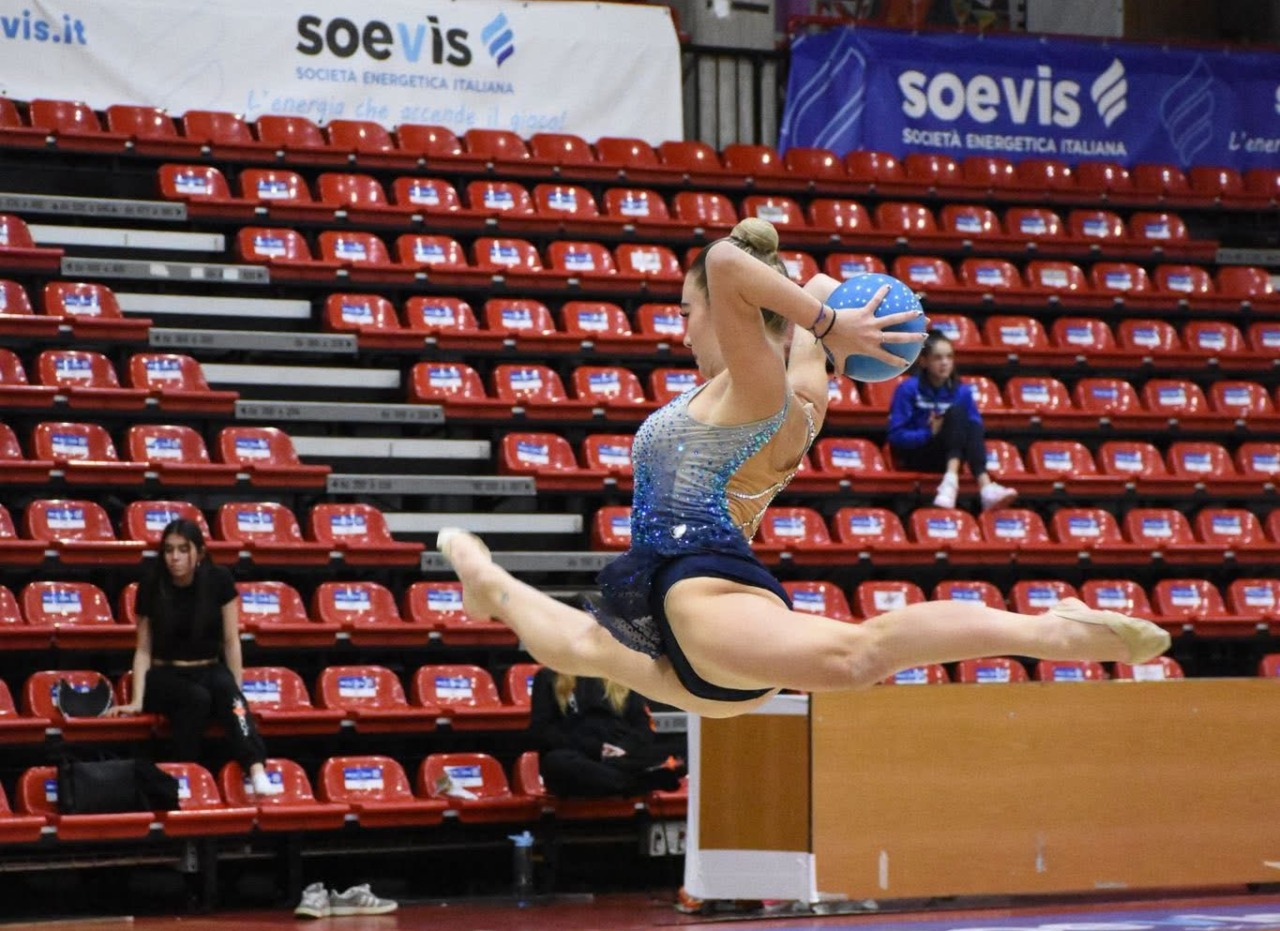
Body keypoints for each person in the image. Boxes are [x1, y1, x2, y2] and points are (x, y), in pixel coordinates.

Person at [437, 218, 1170, 719]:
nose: (684, 326)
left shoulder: (759, 392)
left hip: (706, 600)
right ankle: (488, 582)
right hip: (697, 645)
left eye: (688, 311)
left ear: (729, 316)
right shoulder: (803, 389)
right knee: (567, 643)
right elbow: (812, 289)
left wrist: (826, 321)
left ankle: (1050, 629)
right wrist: (825, 312)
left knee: (857, 656)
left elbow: (729, 264)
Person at [106, 518, 281, 796]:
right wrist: (136, 701)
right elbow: (143, 650)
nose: (174, 557)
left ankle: (257, 769)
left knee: (229, 694)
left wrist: (237, 688)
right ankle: (185, 773)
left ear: (199, 553)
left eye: (183, 550)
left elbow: (230, 641)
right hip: (165, 675)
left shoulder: (219, 580)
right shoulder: (150, 585)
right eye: (168, 550)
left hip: (209, 667)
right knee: (195, 698)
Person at [887, 329, 1017, 512]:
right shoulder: (907, 389)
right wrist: (928, 432)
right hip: (915, 454)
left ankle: (963, 482)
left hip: (945, 455)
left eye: (949, 357)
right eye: (938, 358)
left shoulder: (961, 391)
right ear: (923, 361)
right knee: (957, 413)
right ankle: (982, 485)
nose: (945, 363)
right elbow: (896, 436)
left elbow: (975, 430)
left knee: (969, 421)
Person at [529, 666, 684, 798]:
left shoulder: (623, 675)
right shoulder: (547, 676)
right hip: (579, 759)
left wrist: (623, 748)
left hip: (621, 756)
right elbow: (542, 733)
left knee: (682, 750)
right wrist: (598, 750)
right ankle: (635, 782)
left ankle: (626, 780)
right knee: (555, 762)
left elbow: (643, 728)